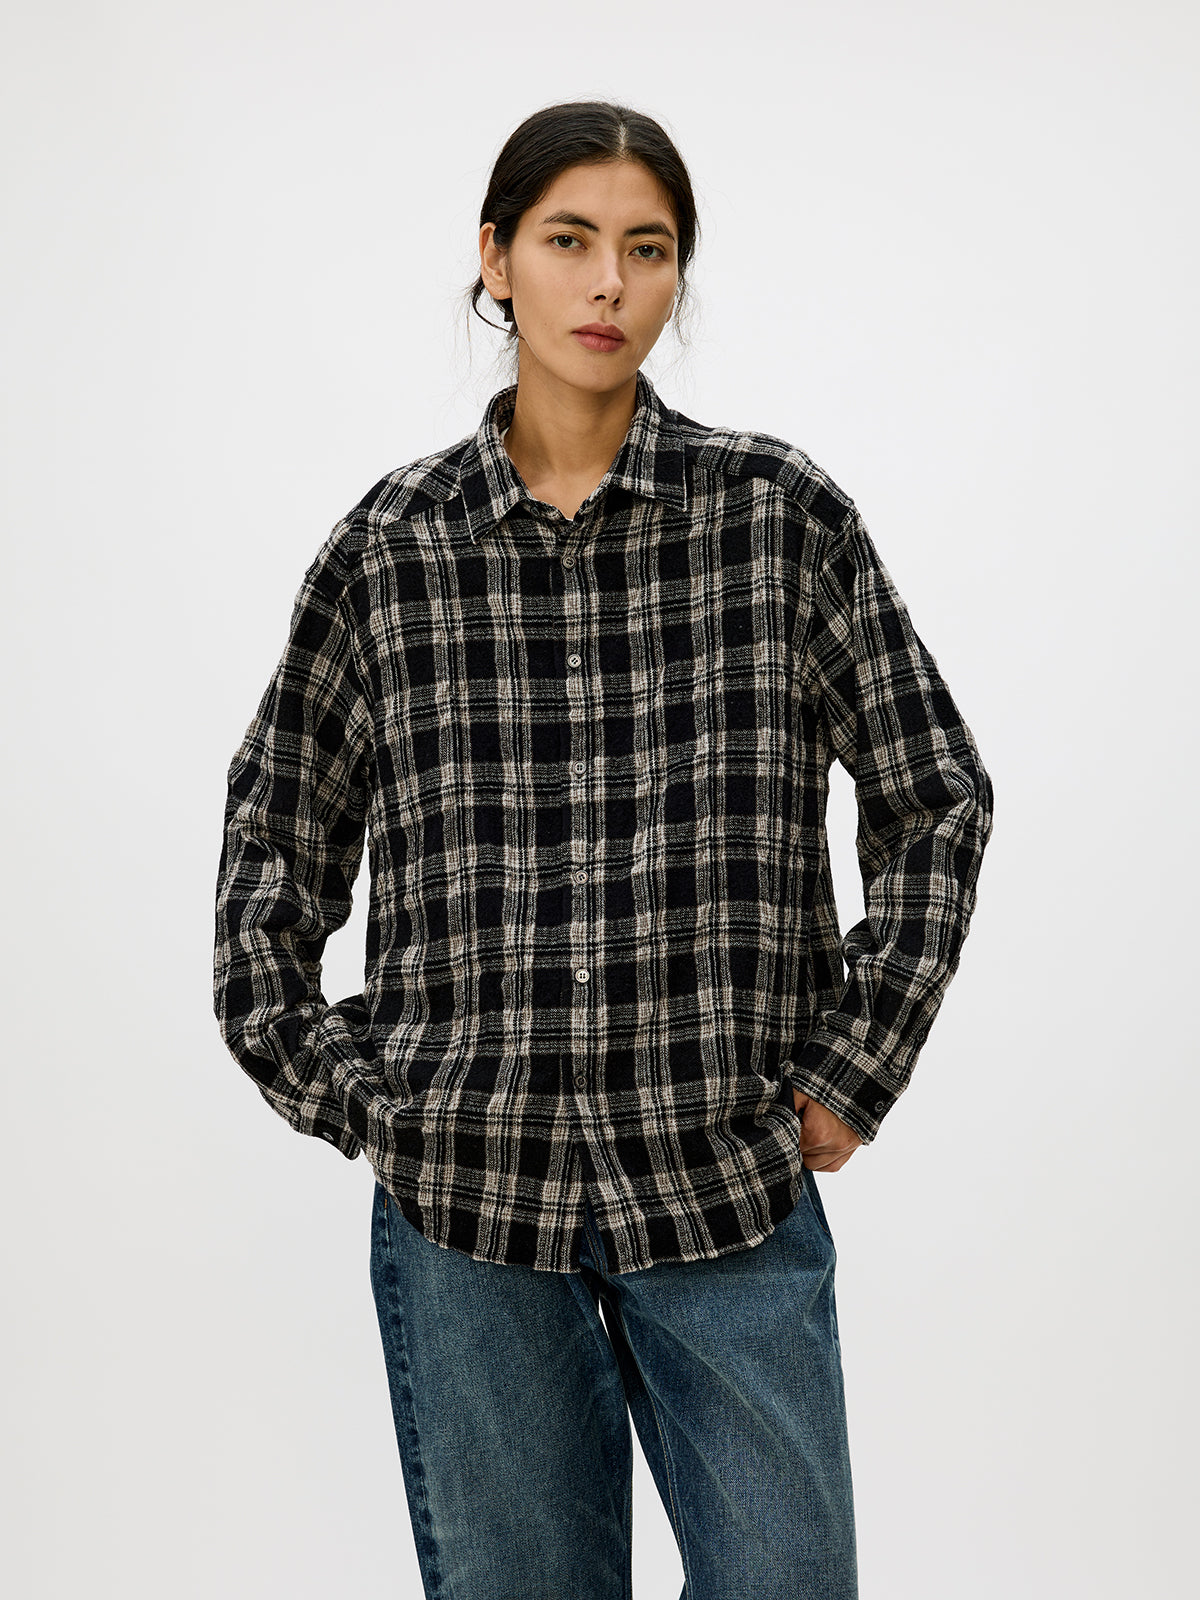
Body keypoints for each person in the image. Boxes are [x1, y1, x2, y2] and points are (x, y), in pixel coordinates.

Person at [212, 99, 993, 1600]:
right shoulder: (391, 553)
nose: (608, 284)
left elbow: (935, 794)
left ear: (678, 275)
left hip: (724, 1190)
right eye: (569, 240)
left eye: (648, 249)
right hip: (468, 1223)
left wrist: (853, 1070)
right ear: (495, 257)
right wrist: (371, 1105)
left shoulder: (776, 519)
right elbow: (271, 857)